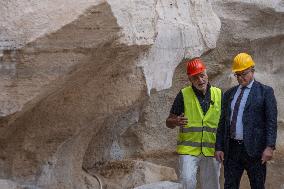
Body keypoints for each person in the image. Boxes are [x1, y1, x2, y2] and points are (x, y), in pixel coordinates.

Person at [215, 52, 278, 189]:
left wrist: (270, 146)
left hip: (255, 151)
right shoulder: (229, 94)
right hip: (232, 150)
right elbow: (223, 122)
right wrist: (219, 146)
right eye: (238, 74)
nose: (241, 78)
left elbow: (271, 121)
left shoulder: (265, 92)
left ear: (252, 71)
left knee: (257, 185)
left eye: (244, 73)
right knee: (230, 185)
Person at [166, 58, 222, 189]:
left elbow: (224, 123)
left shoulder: (219, 94)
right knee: (187, 182)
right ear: (190, 79)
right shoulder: (183, 95)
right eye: (195, 78)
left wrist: (222, 147)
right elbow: (168, 122)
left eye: (202, 75)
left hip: (211, 149)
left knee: (212, 185)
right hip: (188, 151)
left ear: (206, 74)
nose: (200, 80)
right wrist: (175, 121)